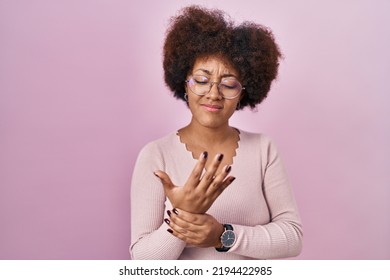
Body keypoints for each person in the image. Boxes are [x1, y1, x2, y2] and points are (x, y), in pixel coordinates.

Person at [130, 5, 303, 260]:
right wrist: (185, 215)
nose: (213, 93)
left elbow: (292, 237)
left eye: (228, 84)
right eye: (202, 80)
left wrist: (223, 236)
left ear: (243, 92)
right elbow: (143, 260)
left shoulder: (264, 150)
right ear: (184, 83)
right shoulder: (156, 155)